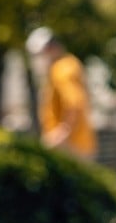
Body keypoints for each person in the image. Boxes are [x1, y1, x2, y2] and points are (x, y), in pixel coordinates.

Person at [27, 27, 97, 160]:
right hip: (80, 144)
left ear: (52, 48)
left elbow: (74, 103)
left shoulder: (61, 70)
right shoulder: (70, 63)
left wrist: (61, 134)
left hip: (71, 147)